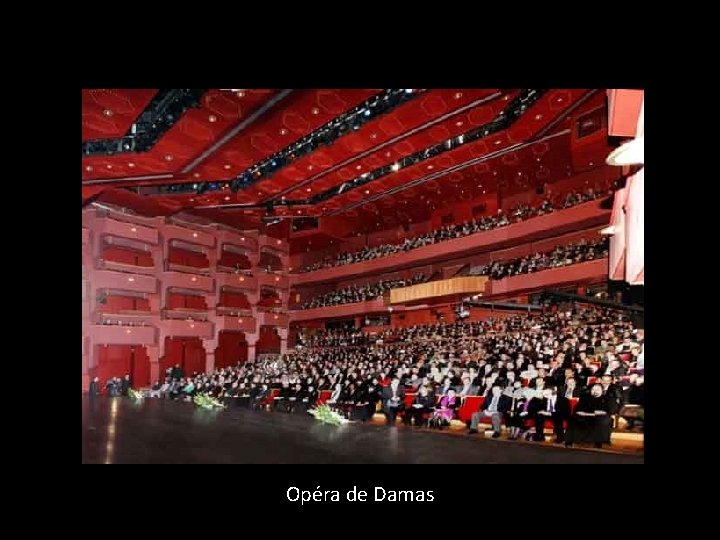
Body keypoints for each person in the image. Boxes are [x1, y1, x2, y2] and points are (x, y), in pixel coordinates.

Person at [565, 383, 612, 448]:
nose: (595, 391)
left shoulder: (606, 399)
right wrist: (592, 414)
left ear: (602, 391)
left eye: (598, 389)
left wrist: (594, 414)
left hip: (597, 417)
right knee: (573, 419)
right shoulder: (585, 397)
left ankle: (598, 442)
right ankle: (569, 441)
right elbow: (578, 410)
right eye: (593, 389)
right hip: (585, 415)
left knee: (602, 420)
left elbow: (606, 411)